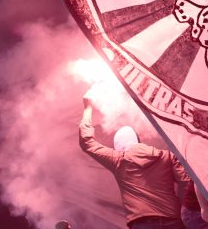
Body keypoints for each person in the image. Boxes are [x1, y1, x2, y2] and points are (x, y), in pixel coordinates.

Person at [79, 97, 189, 229]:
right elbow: (186, 183)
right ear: (137, 140)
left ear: (119, 147)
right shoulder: (166, 156)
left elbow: (86, 142)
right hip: (174, 221)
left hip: (142, 224)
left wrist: (88, 108)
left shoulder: (119, 160)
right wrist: (178, 205)